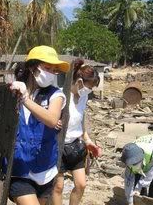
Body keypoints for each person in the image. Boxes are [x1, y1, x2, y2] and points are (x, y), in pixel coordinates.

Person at [8, 45, 70, 205]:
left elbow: (51, 119)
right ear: (32, 67)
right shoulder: (14, 91)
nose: (50, 73)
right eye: (46, 68)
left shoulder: (56, 94)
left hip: (45, 169)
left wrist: (25, 99)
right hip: (18, 167)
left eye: (54, 70)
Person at [52, 59, 102, 205]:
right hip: (58, 147)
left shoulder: (84, 96)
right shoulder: (60, 97)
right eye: (89, 86)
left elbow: (81, 117)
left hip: (76, 145)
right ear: (79, 82)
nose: (90, 90)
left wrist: (87, 139)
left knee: (81, 185)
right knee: (58, 187)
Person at [121, 135, 153, 205]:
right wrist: (130, 201)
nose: (133, 166)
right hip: (143, 145)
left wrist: (139, 187)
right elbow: (129, 182)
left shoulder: (151, 155)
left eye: (135, 163)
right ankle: (141, 197)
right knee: (136, 174)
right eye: (131, 165)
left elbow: (149, 175)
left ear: (141, 159)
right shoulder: (129, 157)